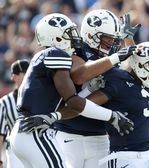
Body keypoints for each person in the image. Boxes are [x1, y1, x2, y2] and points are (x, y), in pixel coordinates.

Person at [9, 13, 134, 168]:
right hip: (56, 132)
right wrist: (111, 116)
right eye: (107, 38)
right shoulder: (62, 53)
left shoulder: (53, 54)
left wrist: (89, 89)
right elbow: (77, 88)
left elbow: (75, 98)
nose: (112, 42)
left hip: (55, 129)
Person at [54, 9, 141, 168]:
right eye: (107, 38)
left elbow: (135, 75)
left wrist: (128, 39)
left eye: (114, 39)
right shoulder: (76, 50)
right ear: (90, 34)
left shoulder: (108, 58)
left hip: (99, 136)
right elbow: (80, 75)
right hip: (68, 132)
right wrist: (114, 58)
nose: (112, 43)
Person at [92, 40, 149, 168]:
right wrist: (109, 115)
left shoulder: (147, 86)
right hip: (124, 155)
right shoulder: (119, 80)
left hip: (148, 154)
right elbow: (84, 104)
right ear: (140, 65)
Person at [0, 59, 29, 168]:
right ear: (13, 77)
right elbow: (1, 135)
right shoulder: (4, 102)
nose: (28, 75)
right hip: (15, 151)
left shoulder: (40, 96)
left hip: (38, 147)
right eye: (25, 73)